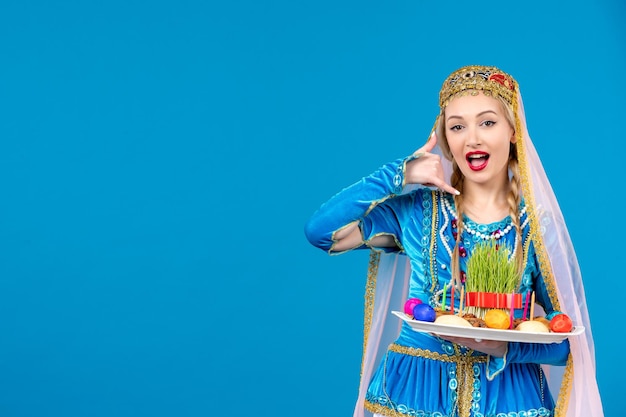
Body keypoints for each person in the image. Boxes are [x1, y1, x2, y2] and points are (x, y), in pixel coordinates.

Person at [304, 65, 603, 417]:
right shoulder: (417, 212)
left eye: (487, 122)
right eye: (457, 126)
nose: (472, 138)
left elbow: (566, 343)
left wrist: (504, 348)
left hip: (508, 399)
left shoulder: (537, 227)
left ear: (512, 132)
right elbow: (322, 233)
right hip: (416, 391)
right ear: (446, 138)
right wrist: (400, 174)